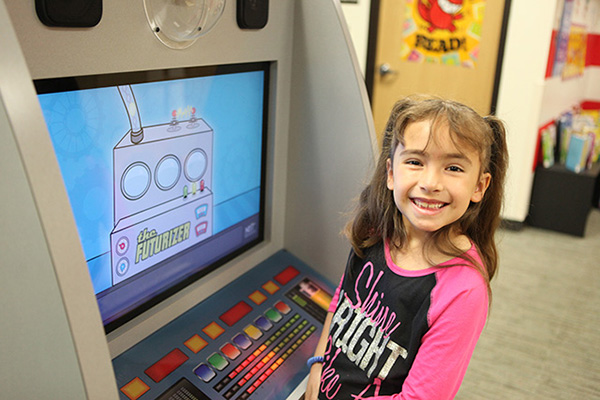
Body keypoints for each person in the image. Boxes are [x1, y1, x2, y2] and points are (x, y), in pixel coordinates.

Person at [305, 95, 508, 399]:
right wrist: (318, 365)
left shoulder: (463, 290)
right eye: (415, 162)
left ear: (479, 186)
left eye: (453, 168)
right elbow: (341, 302)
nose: (430, 182)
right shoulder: (376, 230)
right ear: (390, 173)